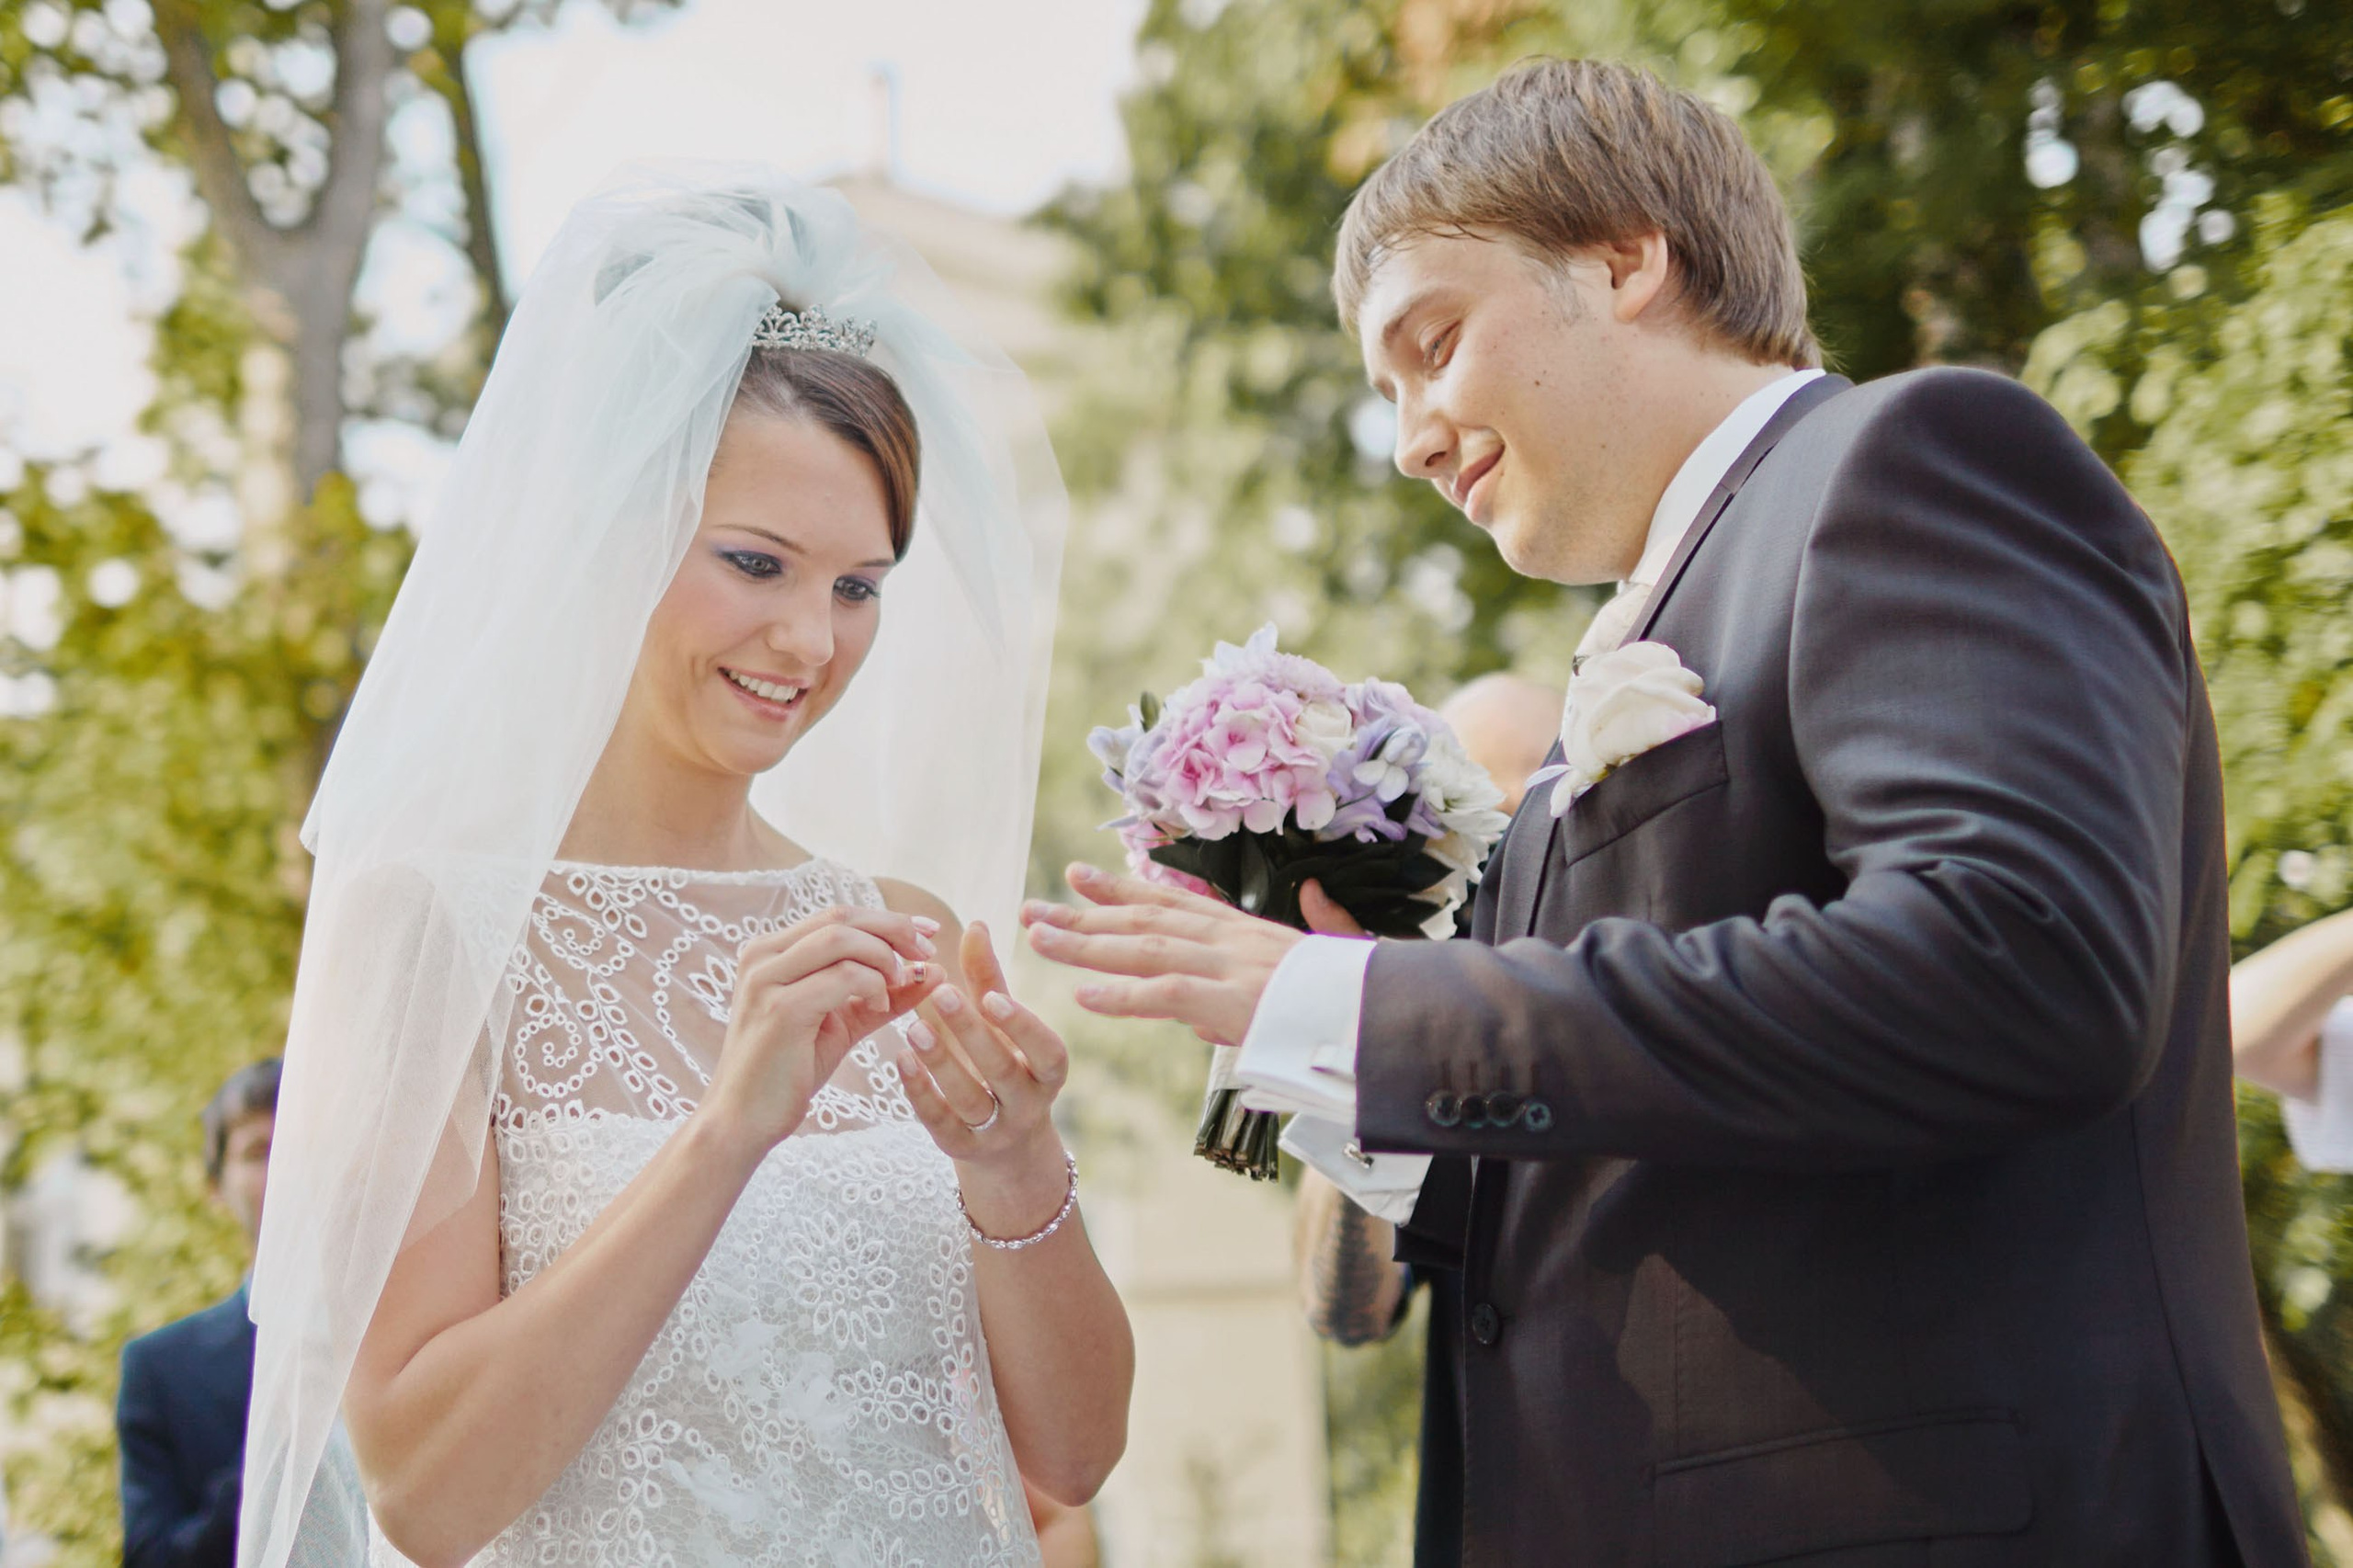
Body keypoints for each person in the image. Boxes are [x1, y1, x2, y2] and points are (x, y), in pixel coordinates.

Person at [1022, 56, 2305, 1567]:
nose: (1412, 438)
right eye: (1386, 394)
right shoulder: (1619, 668)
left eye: (1432, 346)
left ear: (1628, 256)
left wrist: (1383, 1005)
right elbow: (1601, 1173)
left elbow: (2018, 963)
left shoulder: (1912, 461)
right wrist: (1335, 1073)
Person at [238, 167, 1131, 1568]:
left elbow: (1070, 1459)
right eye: (757, 563)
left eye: (857, 586)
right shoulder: (427, 930)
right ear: (615, 532)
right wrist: (726, 1130)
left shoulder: (901, 931)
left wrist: (1017, 1167)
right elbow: (422, 1489)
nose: (811, 642)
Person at [117, 1060, 278, 1567]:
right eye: (259, 1151)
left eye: (301, 1141)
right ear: (215, 1186)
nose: (287, 1167)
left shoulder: (422, 1317)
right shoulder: (159, 1368)